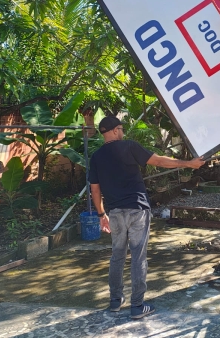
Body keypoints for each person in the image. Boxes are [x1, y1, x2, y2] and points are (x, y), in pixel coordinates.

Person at [89, 115, 205, 318]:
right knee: (138, 257)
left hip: (115, 213)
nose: (123, 132)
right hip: (137, 209)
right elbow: (159, 161)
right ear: (115, 130)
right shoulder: (129, 146)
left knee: (117, 256)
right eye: (121, 129)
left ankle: (115, 301)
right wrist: (189, 164)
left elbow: (95, 189)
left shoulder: (96, 157)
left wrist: (101, 214)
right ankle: (137, 306)